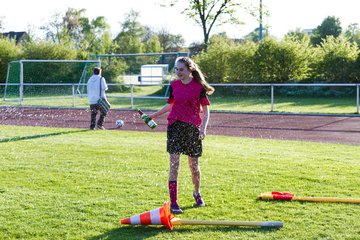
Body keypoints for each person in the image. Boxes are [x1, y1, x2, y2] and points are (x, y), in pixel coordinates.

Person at [148, 57, 215, 214]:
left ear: (189, 70)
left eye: (181, 69)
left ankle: (197, 193)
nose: (178, 72)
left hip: (192, 129)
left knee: (194, 166)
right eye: (176, 69)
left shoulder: (199, 88)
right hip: (175, 127)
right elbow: (170, 105)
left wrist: (203, 129)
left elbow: (206, 112)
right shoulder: (173, 86)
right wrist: (154, 115)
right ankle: (174, 202)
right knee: (174, 165)